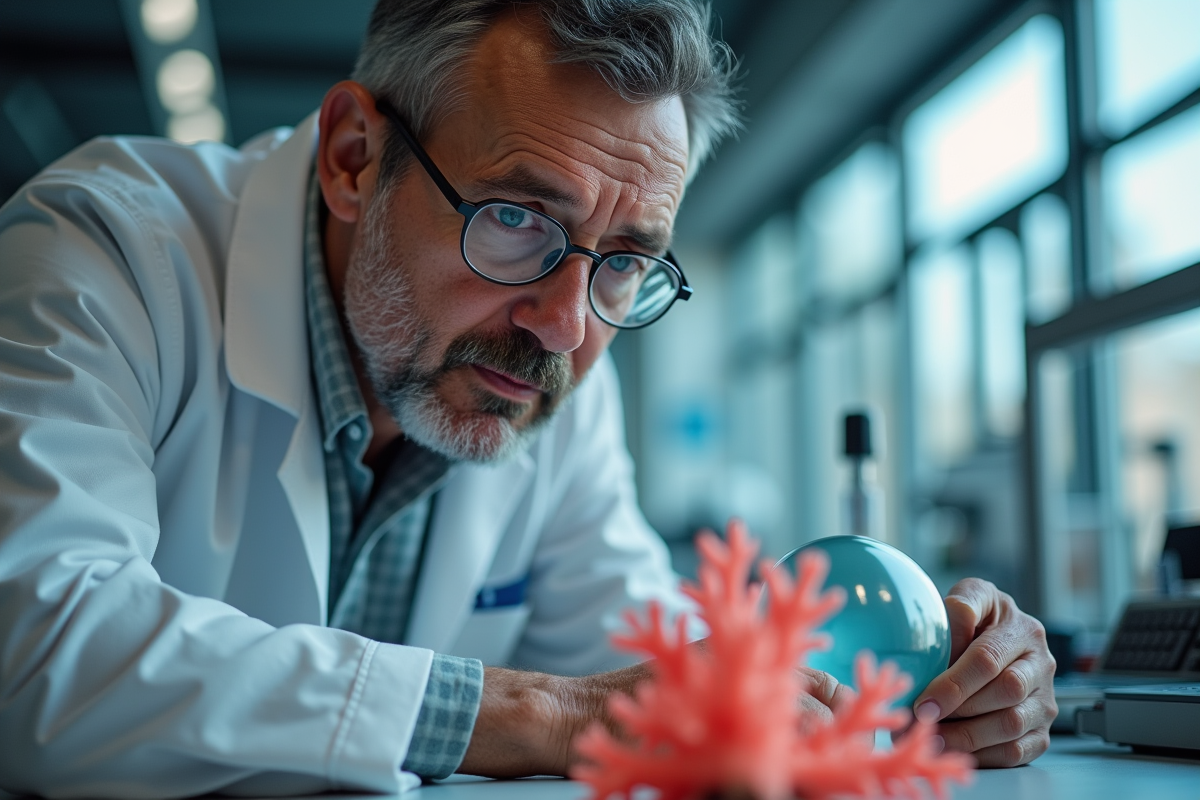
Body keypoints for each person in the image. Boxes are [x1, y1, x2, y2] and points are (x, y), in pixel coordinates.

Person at [0, 0, 1056, 795]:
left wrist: (921, 685)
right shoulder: (104, 254)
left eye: (627, 261)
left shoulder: (550, 365)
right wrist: (533, 710)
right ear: (355, 160)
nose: (566, 323)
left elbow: (639, 664)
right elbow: (32, 643)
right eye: (514, 218)